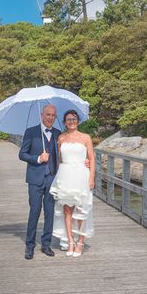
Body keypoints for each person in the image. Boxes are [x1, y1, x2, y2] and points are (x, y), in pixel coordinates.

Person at [19, 104, 62, 260]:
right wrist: (38, 158)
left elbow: (63, 155)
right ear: (42, 115)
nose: (50, 117)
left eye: (53, 115)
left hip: (52, 178)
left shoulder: (58, 134)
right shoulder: (31, 132)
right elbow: (22, 154)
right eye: (48, 114)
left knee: (50, 213)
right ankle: (29, 245)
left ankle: (46, 244)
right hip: (35, 179)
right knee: (35, 211)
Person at [50, 110, 95, 257]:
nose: (71, 121)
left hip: (81, 175)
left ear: (78, 121)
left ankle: (80, 241)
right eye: (68, 119)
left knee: (81, 209)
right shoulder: (61, 138)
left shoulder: (86, 137)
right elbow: (59, 159)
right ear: (64, 122)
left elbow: (92, 159)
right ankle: (70, 240)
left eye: (74, 119)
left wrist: (91, 178)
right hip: (65, 174)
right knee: (67, 210)